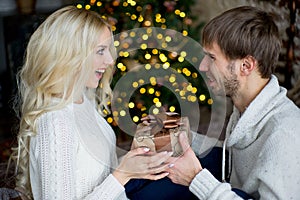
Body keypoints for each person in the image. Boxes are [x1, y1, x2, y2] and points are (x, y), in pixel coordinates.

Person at [10, 5, 174, 199]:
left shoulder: (81, 100)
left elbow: (90, 173)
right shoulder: (56, 122)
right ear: (70, 54)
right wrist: (122, 175)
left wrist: (133, 154)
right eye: (100, 51)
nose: (111, 60)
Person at [166, 6, 300, 199]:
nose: (203, 66)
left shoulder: (284, 136)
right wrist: (189, 138)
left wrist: (196, 179)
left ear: (246, 66)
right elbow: (235, 160)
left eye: (212, 57)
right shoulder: (249, 108)